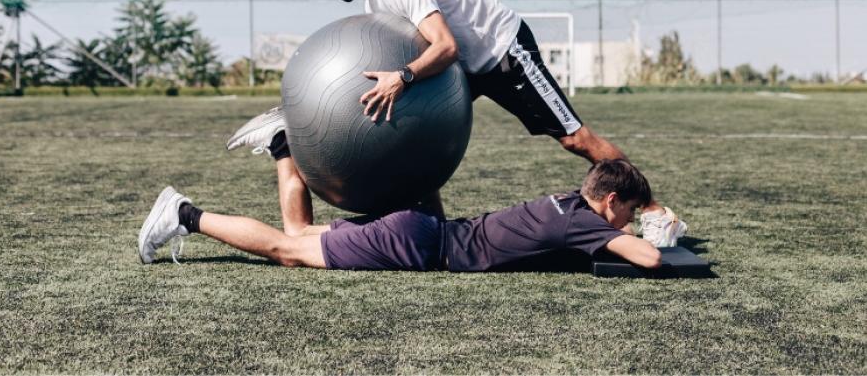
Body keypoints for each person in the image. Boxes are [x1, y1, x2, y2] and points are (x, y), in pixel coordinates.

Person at [309, 0, 622, 164]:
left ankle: (652, 210)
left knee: (574, 139)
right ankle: (426, 228)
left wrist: (402, 78)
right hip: (467, 70)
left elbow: (446, 47)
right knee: (418, 142)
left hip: (503, 51)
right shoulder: (374, 2)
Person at [138, 159, 678, 272]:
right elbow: (649, 259)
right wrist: (655, 232)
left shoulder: (568, 201)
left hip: (424, 228)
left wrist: (633, 221)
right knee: (291, 251)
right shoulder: (583, 220)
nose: (623, 224)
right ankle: (184, 214)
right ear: (608, 202)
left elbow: (611, 232)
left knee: (298, 236)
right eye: (626, 213)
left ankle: (284, 146)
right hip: (419, 245)